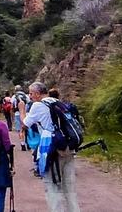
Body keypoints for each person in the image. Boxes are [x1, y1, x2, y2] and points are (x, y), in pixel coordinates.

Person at [23, 82, 80, 212]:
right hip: (68, 147)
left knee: (53, 186)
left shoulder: (37, 105)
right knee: (70, 188)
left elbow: (25, 124)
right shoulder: (57, 102)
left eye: (31, 93)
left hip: (52, 149)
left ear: (37, 94)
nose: (30, 96)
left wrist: (22, 112)